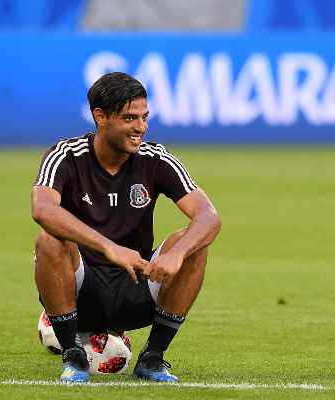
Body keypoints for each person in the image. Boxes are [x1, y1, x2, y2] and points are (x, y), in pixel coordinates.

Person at [31, 72, 221, 383]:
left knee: (195, 242)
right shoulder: (65, 155)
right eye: (130, 118)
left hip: (138, 286)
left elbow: (209, 216)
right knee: (49, 238)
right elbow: (42, 208)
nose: (141, 127)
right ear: (100, 116)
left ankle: (153, 357)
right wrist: (108, 247)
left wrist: (179, 253)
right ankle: (73, 355)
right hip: (80, 291)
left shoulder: (155, 158)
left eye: (145, 117)